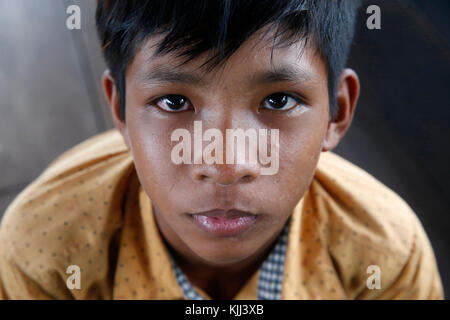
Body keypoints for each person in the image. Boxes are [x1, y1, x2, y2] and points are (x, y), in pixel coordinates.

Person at [0, 0, 444, 300]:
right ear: (119, 109)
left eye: (278, 100)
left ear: (337, 112)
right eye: (174, 102)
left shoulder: (387, 257)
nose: (226, 165)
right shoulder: (44, 254)